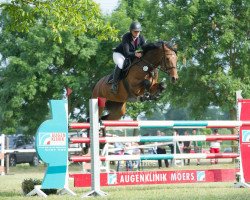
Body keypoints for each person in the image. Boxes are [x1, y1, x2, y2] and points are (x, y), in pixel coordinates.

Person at [111, 21, 146, 94]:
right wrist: (136, 54)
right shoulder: (126, 36)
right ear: (131, 31)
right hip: (119, 54)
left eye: (138, 31)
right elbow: (126, 53)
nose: (137, 33)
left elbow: (145, 48)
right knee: (121, 64)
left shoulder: (141, 38)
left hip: (130, 55)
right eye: (135, 31)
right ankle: (114, 84)